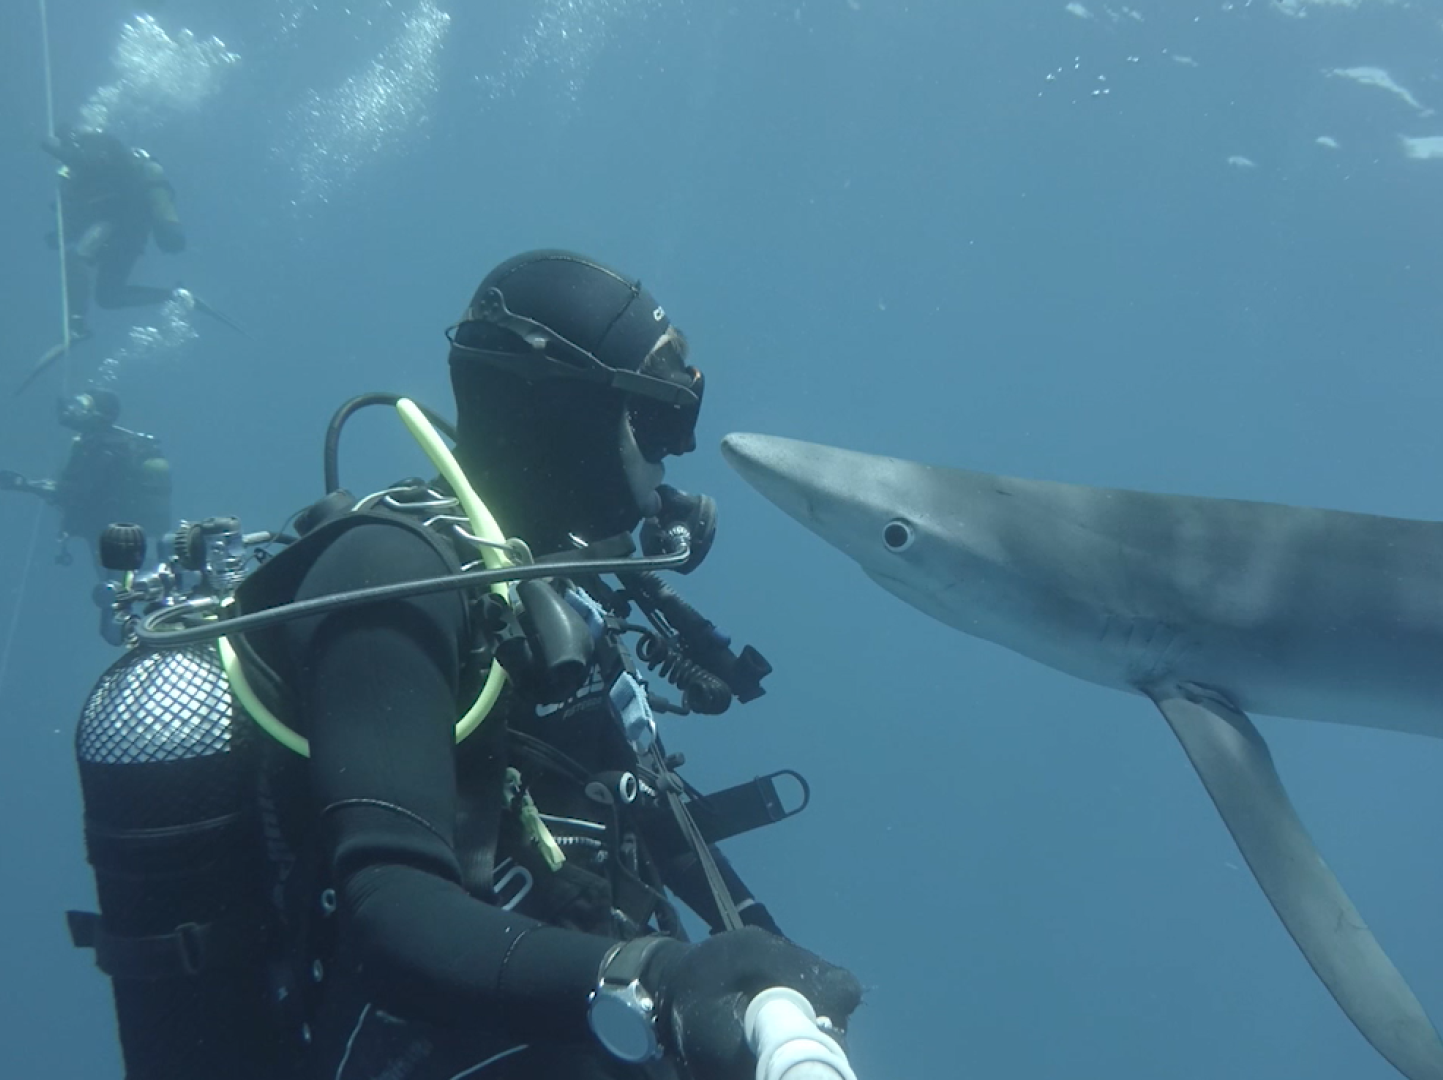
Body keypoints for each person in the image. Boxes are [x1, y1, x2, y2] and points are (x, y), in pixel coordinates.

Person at [63, 250, 863, 1080]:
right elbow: (390, 911)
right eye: (659, 421)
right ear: (564, 413)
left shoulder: (542, 596)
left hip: (576, 1027)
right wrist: (655, 979)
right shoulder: (390, 574)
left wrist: (767, 957)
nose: (678, 454)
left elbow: (645, 811)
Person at [19, 127, 238, 396]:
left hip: (122, 223)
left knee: (78, 257)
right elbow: (83, 210)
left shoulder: (99, 145)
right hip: (122, 234)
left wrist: (53, 146)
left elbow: (96, 166)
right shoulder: (77, 175)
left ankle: (76, 327)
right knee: (109, 297)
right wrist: (61, 233)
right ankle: (177, 296)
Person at [0, 389, 173, 566]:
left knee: (122, 587)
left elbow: (74, 492)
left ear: (97, 415)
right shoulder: (102, 443)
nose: (71, 410)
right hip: (122, 532)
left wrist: (27, 485)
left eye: (80, 406)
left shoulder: (102, 450)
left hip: (116, 534)